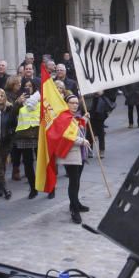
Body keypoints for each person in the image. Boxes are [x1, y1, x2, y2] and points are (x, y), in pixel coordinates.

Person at [55, 94, 92, 223]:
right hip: (71, 154)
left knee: (77, 181)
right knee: (73, 182)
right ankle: (74, 210)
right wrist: (82, 141)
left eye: (77, 103)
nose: (75, 105)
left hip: (80, 154)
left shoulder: (75, 117)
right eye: (72, 102)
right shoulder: (63, 117)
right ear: (66, 103)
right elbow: (66, 135)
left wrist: (85, 119)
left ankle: (75, 203)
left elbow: (78, 127)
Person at [0, 87, 20, 199]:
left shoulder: (10, 109)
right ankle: (5, 189)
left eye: (2, 96)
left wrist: (11, 136)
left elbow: (14, 124)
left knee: (2, 165)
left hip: (6, 141)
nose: (0, 98)